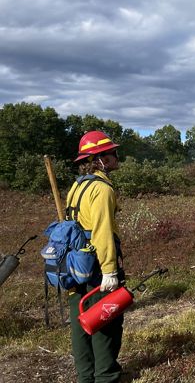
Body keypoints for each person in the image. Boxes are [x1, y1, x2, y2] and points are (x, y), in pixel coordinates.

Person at [67, 130, 125, 383]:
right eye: (112, 152)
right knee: (105, 323)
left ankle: (86, 377)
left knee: (81, 322)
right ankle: (106, 378)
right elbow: (102, 231)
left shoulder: (77, 186)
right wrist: (110, 270)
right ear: (101, 159)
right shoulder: (101, 189)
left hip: (75, 265)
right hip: (98, 266)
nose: (116, 156)